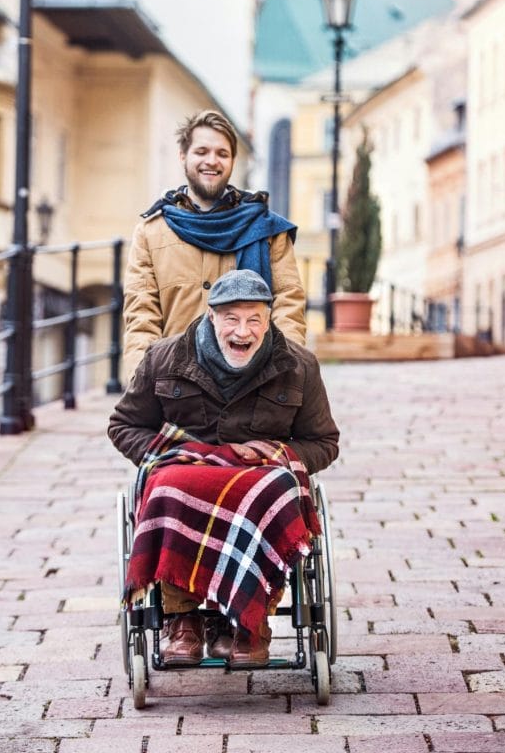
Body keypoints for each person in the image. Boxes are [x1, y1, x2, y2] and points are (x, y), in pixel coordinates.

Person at [109, 268, 339, 668]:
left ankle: (248, 623)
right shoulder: (165, 357)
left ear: (269, 320)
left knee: (277, 487)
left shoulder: (298, 365)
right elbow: (124, 425)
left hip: (255, 478)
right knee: (167, 484)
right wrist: (177, 454)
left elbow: (324, 442)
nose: (242, 331)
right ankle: (183, 620)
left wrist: (277, 455)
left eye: (254, 320)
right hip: (186, 470)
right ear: (211, 316)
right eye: (231, 318)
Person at [122, 109, 307, 382]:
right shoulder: (151, 233)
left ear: (233, 161)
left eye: (222, 153)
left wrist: (286, 378)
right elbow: (142, 316)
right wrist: (144, 383)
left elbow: (288, 308)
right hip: (176, 385)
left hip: (252, 384)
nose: (212, 161)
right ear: (183, 156)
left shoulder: (267, 230)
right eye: (202, 151)